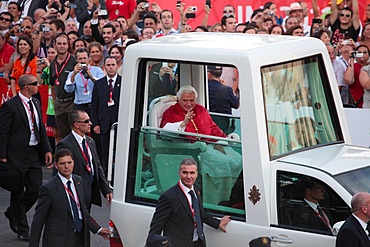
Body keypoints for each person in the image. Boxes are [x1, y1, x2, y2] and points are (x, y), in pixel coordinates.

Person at [0, 74, 52, 241]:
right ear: (26, 87)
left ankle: (13, 212)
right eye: (35, 83)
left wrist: (47, 149)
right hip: (16, 154)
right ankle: (23, 229)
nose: (38, 85)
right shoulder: (10, 106)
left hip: (33, 153)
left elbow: (40, 129)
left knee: (35, 190)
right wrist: (2, 155)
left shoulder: (35, 102)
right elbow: (3, 132)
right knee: (17, 191)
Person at [29, 148, 110, 247]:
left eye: (69, 162)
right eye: (62, 163)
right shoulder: (48, 188)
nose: (66, 166)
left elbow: (81, 210)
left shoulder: (79, 181)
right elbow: (38, 220)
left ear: (73, 163)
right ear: (56, 165)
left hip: (80, 238)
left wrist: (97, 229)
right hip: (59, 241)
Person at [147, 158, 231, 247]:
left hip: (197, 242)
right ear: (179, 173)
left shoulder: (196, 189)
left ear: (197, 174)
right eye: (185, 172)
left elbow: (198, 211)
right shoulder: (169, 197)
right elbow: (155, 229)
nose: (189, 176)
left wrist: (217, 223)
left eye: (192, 173)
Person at [56, 110, 112, 209]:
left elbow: (97, 166)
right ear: (76, 124)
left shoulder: (90, 141)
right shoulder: (65, 144)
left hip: (89, 191)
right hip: (75, 192)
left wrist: (106, 189)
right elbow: (59, 170)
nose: (90, 123)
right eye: (86, 121)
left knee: (85, 222)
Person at [91, 56, 122, 175]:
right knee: (104, 152)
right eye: (108, 65)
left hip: (119, 123)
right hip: (103, 124)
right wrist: (95, 124)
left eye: (113, 65)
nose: (111, 68)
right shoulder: (99, 84)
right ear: (104, 67)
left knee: (118, 150)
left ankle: (117, 174)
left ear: (117, 66)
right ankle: (104, 174)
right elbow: (94, 105)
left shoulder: (123, 82)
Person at [50, 32, 77, 139]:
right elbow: (52, 84)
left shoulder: (73, 60)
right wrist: (55, 101)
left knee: (75, 133)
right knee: (63, 135)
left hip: (71, 102)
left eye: (64, 44)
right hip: (59, 104)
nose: (61, 46)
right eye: (59, 43)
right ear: (55, 45)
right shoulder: (53, 63)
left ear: (68, 45)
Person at [207, 65, 239, 134]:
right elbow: (237, 105)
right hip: (224, 125)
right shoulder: (226, 89)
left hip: (208, 122)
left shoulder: (204, 87)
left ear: (209, 74)